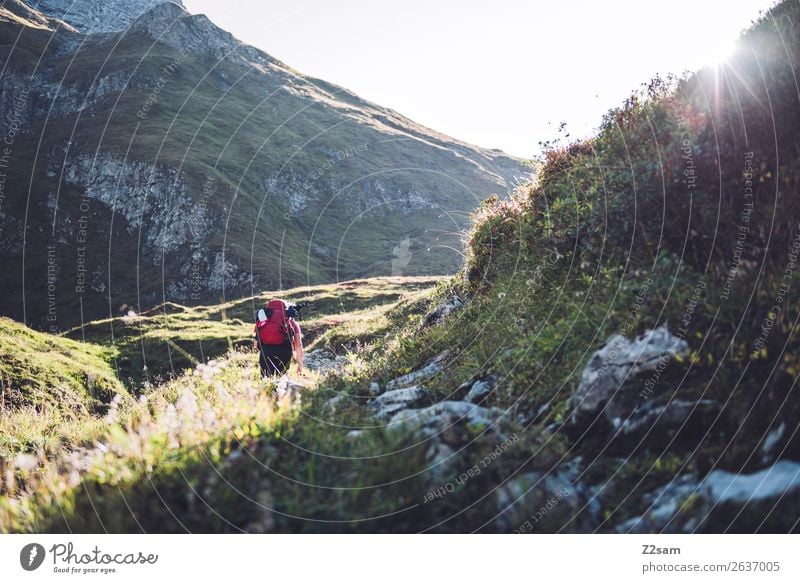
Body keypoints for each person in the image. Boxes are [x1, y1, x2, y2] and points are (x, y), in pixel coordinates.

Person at [254, 299, 304, 377]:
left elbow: (256, 344)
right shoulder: (291, 322)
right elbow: (298, 344)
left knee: (266, 379)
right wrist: (300, 364)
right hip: (284, 352)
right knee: (281, 379)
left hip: (265, 351)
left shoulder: (262, 322)